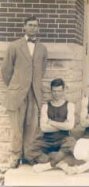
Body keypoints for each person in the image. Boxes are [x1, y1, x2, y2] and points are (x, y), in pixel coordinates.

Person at [1, 16, 48, 168]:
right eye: (30, 25)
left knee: (32, 126)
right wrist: (16, 86)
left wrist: (33, 85)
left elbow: (42, 70)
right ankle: (15, 157)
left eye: (36, 25)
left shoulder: (42, 48)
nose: (33, 28)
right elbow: (6, 70)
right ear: (24, 27)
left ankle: (28, 155)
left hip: (34, 93)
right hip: (17, 94)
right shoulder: (14, 46)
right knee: (16, 128)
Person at [26, 78, 76, 173]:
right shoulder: (46, 106)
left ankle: (49, 163)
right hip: (47, 140)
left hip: (63, 139)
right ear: (51, 91)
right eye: (54, 91)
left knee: (72, 145)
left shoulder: (70, 105)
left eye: (59, 91)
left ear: (64, 90)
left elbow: (70, 126)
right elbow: (44, 128)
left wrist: (51, 122)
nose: (56, 94)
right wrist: (63, 125)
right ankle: (59, 162)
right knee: (29, 151)